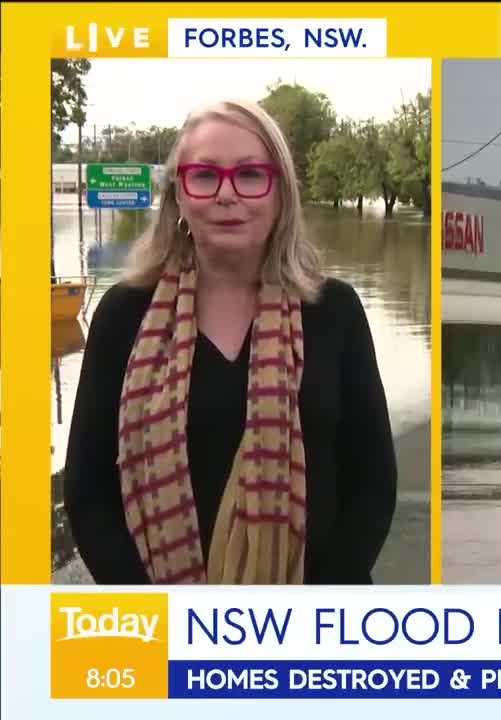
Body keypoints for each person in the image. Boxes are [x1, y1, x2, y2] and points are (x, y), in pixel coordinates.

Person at [63, 99, 398, 584]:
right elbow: (88, 491)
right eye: (204, 176)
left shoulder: (334, 310)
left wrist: (314, 610)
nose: (226, 195)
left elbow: (373, 485)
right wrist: (154, 614)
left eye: (249, 175)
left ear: (280, 193)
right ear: (179, 194)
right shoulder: (122, 314)